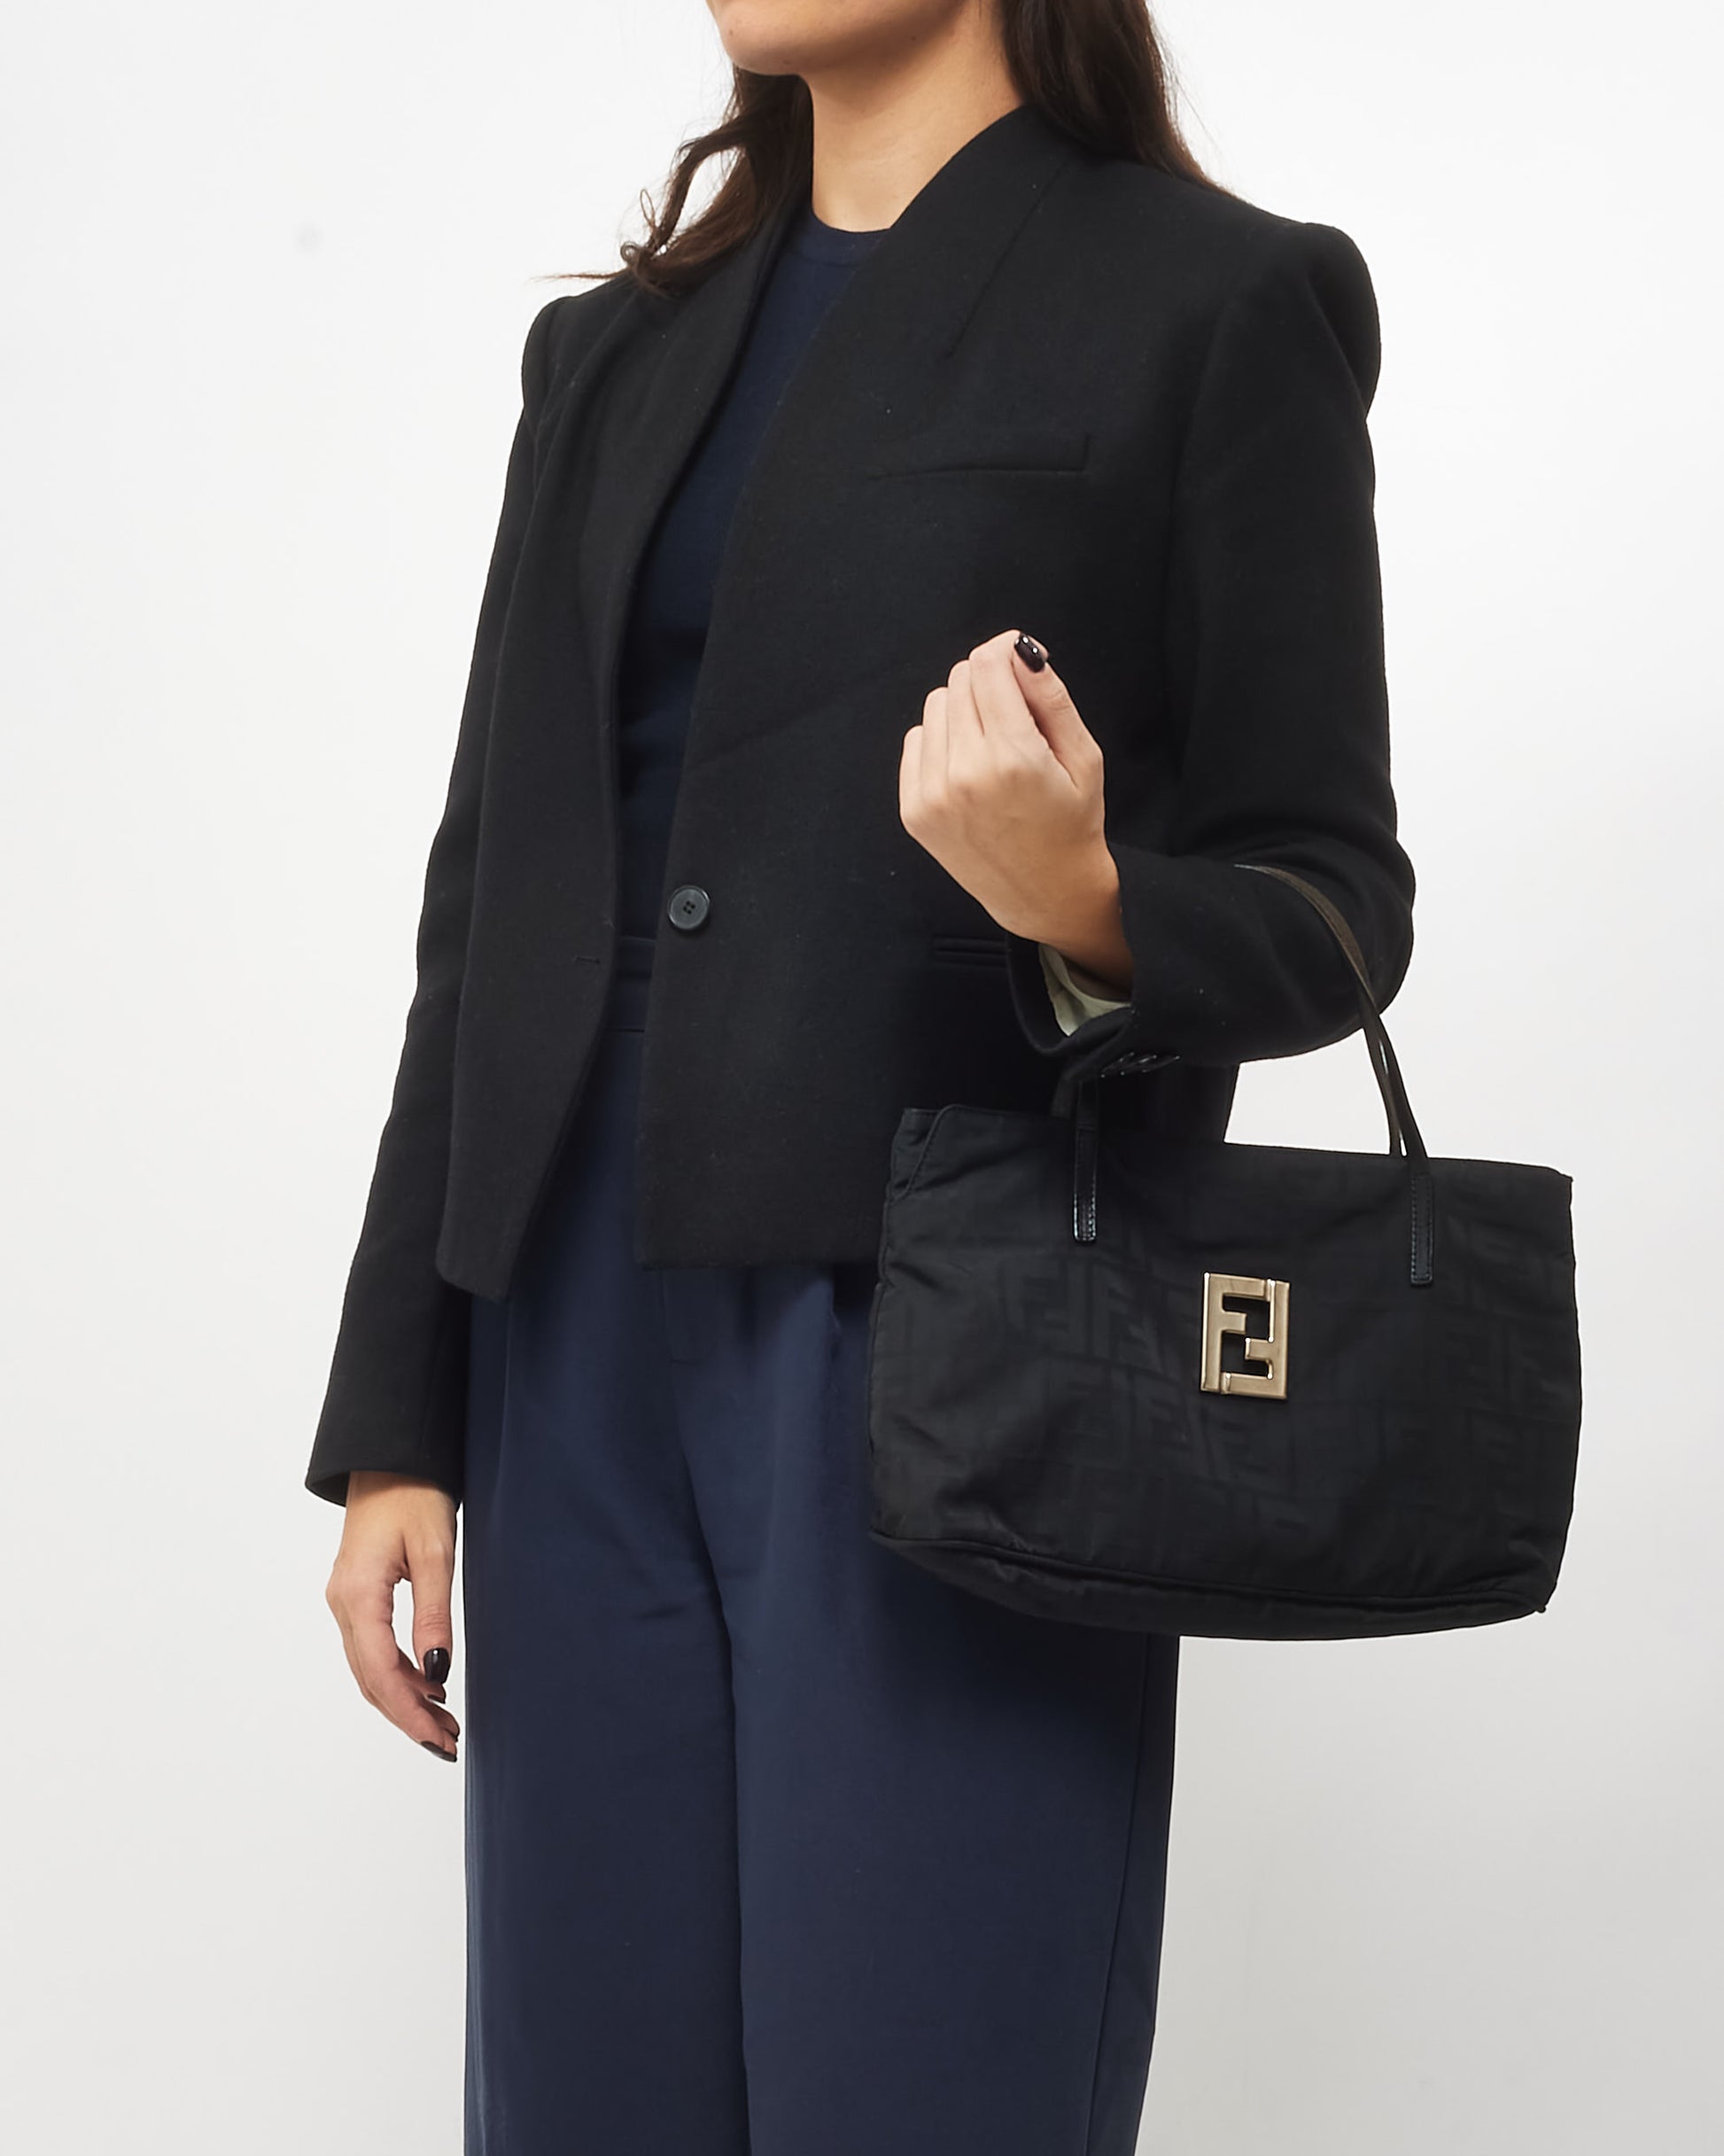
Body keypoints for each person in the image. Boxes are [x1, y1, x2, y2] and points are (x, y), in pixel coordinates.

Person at [308, 2, 1416, 2149]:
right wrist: (400, 1413)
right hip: (572, 1336)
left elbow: (1332, 896)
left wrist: (1087, 898)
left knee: (927, 2085)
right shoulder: (612, 353)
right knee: (581, 2097)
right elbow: (493, 900)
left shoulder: (1212, 301)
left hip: (960, 1338)